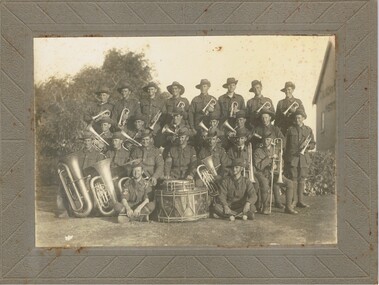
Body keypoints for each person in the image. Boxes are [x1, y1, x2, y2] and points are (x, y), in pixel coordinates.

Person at [56, 131, 106, 218]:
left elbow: (99, 169)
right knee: (68, 188)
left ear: (92, 141)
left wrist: (90, 179)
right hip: (79, 178)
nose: (87, 143)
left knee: (95, 190)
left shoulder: (97, 154)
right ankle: (69, 210)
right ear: (83, 142)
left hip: (91, 179)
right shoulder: (78, 154)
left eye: (89, 141)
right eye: (85, 141)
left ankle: (94, 210)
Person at [253, 132, 297, 215]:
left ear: (271, 140)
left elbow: (282, 162)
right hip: (263, 174)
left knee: (290, 183)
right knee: (265, 184)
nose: (267, 142)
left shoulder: (276, 150)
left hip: (275, 173)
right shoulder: (258, 151)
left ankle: (288, 207)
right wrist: (269, 158)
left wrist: (277, 167)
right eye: (265, 140)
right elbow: (259, 166)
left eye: (268, 140)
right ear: (262, 140)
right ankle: (265, 207)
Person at [284, 110, 316, 208]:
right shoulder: (290, 130)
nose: (297, 120)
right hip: (293, 158)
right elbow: (286, 145)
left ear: (303, 118)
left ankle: (300, 201)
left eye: (299, 118)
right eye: (296, 118)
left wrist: (307, 147)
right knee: (293, 178)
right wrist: (287, 158)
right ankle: (294, 200)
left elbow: (313, 144)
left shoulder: (308, 130)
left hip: (303, 158)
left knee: (302, 178)